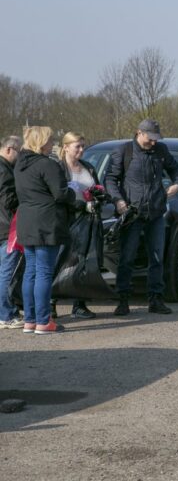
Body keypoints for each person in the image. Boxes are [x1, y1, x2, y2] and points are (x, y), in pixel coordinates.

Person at [104, 119, 178, 316]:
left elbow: (176, 170)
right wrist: (118, 201)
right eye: (150, 138)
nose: (153, 142)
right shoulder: (124, 151)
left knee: (156, 257)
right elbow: (110, 179)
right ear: (139, 133)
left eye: (156, 138)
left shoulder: (161, 151)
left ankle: (156, 299)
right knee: (127, 257)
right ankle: (123, 299)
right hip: (132, 214)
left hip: (156, 212)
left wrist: (177, 184)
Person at [15, 126, 76, 334]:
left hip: (27, 221)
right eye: (50, 141)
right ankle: (43, 321)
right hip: (46, 222)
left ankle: (30, 320)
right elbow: (60, 194)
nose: (52, 144)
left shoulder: (20, 165)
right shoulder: (47, 165)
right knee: (43, 272)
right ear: (41, 143)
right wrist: (74, 196)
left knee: (30, 271)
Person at [58, 132, 102, 319]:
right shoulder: (58, 168)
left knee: (82, 262)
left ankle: (79, 304)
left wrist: (99, 198)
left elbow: (98, 189)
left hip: (87, 220)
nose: (81, 150)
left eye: (83, 146)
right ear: (66, 147)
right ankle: (52, 303)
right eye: (77, 146)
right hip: (66, 221)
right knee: (60, 261)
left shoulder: (89, 168)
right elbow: (58, 195)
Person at [0, 135, 23, 329]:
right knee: (7, 273)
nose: (20, 155)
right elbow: (8, 201)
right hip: (7, 228)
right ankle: (6, 314)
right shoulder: (5, 171)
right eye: (19, 151)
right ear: (9, 149)